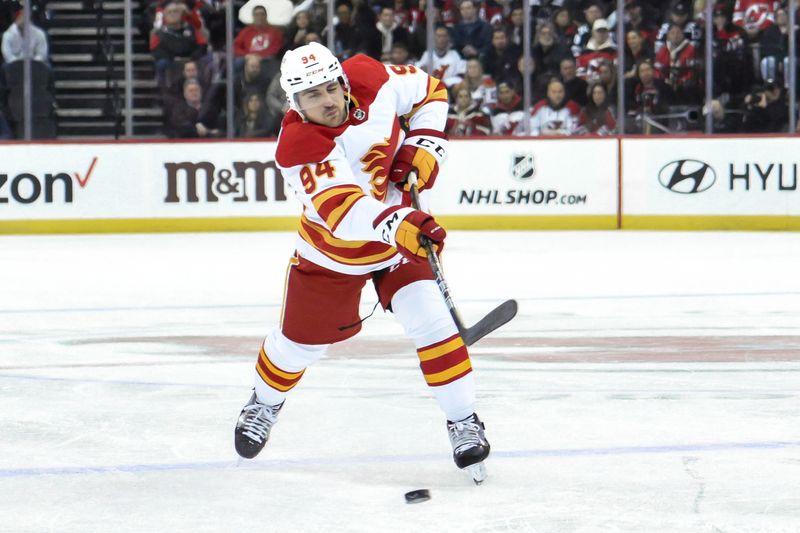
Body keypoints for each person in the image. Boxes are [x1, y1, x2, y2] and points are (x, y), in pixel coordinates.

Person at [233, 42, 492, 483]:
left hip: (398, 246)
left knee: (435, 323)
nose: (329, 100)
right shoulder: (298, 143)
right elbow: (346, 213)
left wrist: (425, 147)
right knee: (298, 346)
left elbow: (432, 93)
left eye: (332, 87)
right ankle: (264, 401)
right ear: (294, 102)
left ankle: (463, 419)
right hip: (333, 254)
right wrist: (400, 221)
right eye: (313, 95)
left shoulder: (372, 77)